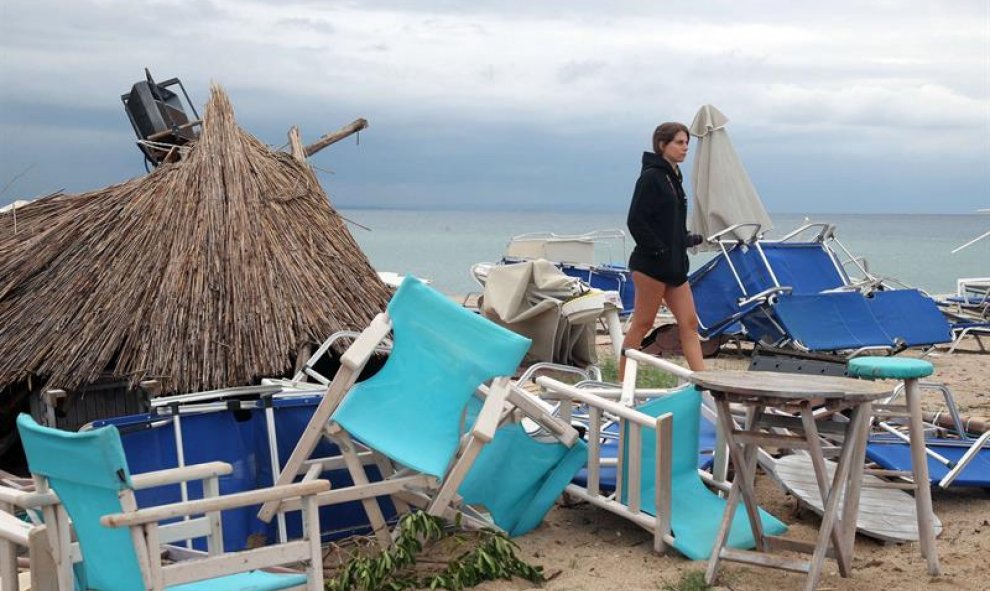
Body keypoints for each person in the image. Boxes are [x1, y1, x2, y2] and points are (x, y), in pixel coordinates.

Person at [620, 122, 706, 378]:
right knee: (643, 324)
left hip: (675, 267)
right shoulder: (651, 177)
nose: (685, 148)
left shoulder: (673, 177)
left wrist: (686, 240)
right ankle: (621, 383)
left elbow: (667, 223)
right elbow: (635, 220)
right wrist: (658, 250)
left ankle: (704, 382)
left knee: (689, 323)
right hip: (651, 266)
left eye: (687, 143)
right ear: (662, 145)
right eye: (679, 142)